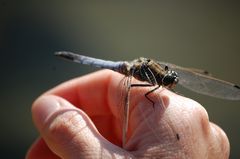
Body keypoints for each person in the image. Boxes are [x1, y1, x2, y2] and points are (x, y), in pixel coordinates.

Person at [26, 70, 229, 159]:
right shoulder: (149, 80)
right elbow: (148, 94)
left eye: (170, 80)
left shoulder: (160, 78)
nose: (171, 83)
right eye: (168, 81)